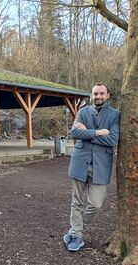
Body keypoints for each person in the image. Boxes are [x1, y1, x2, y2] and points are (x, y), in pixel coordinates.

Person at [63, 83, 120, 252]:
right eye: (95, 93)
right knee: (77, 201)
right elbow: (75, 133)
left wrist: (87, 132)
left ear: (108, 95)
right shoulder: (83, 112)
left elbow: (112, 140)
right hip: (80, 163)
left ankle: (75, 230)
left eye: (102, 93)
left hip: (101, 166)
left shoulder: (115, 115)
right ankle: (76, 235)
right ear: (91, 95)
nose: (98, 96)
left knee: (96, 204)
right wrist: (97, 132)